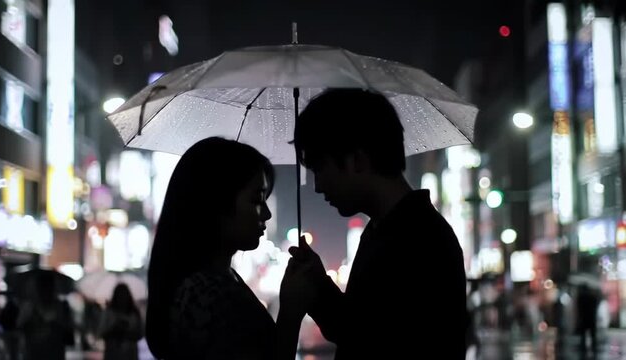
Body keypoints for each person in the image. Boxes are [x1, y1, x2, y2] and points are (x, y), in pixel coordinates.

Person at [284, 88, 467, 359]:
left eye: (320, 169)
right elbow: (359, 328)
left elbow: (375, 343)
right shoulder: (384, 230)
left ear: (358, 160)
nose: (318, 186)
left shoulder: (419, 240)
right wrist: (318, 285)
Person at [146, 137, 306, 360]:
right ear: (216, 203)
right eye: (257, 199)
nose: (267, 214)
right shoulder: (207, 293)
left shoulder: (214, 281)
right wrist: (290, 314)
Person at [16, 271, 74, 360]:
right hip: (35, 350)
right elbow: (20, 325)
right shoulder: (30, 306)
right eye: (43, 287)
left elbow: (68, 326)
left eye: (48, 286)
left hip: (54, 350)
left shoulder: (61, 306)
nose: (46, 290)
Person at [99, 283, 143, 360]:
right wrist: (115, 329)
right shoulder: (109, 312)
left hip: (130, 353)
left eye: (124, 295)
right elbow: (102, 333)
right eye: (120, 295)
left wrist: (127, 333)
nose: (122, 298)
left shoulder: (134, 313)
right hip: (113, 353)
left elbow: (140, 333)